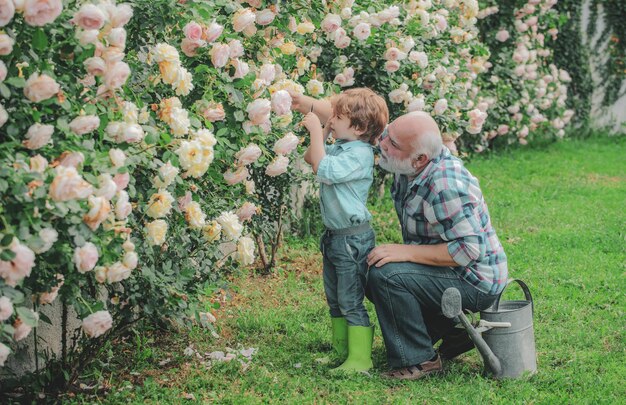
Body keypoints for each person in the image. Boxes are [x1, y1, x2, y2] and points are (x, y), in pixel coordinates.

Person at [365, 111, 508, 380]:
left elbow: (467, 250)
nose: (383, 144)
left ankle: (420, 359)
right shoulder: (409, 157)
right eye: (388, 134)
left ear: (420, 159)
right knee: (375, 263)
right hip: (454, 271)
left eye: (393, 144)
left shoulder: (444, 184)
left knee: (386, 274)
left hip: (475, 281)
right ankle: (453, 329)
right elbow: (361, 123)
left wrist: (405, 252)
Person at [294, 88, 389, 372]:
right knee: (334, 297)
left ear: (359, 127)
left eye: (338, 115)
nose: (331, 118)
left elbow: (325, 171)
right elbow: (313, 159)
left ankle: (360, 359)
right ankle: (341, 349)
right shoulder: (343, 146)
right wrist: (322, 129)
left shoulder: (359, 154)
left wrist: (314, 128)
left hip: (352, 240)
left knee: (350, 299)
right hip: (335, 237)